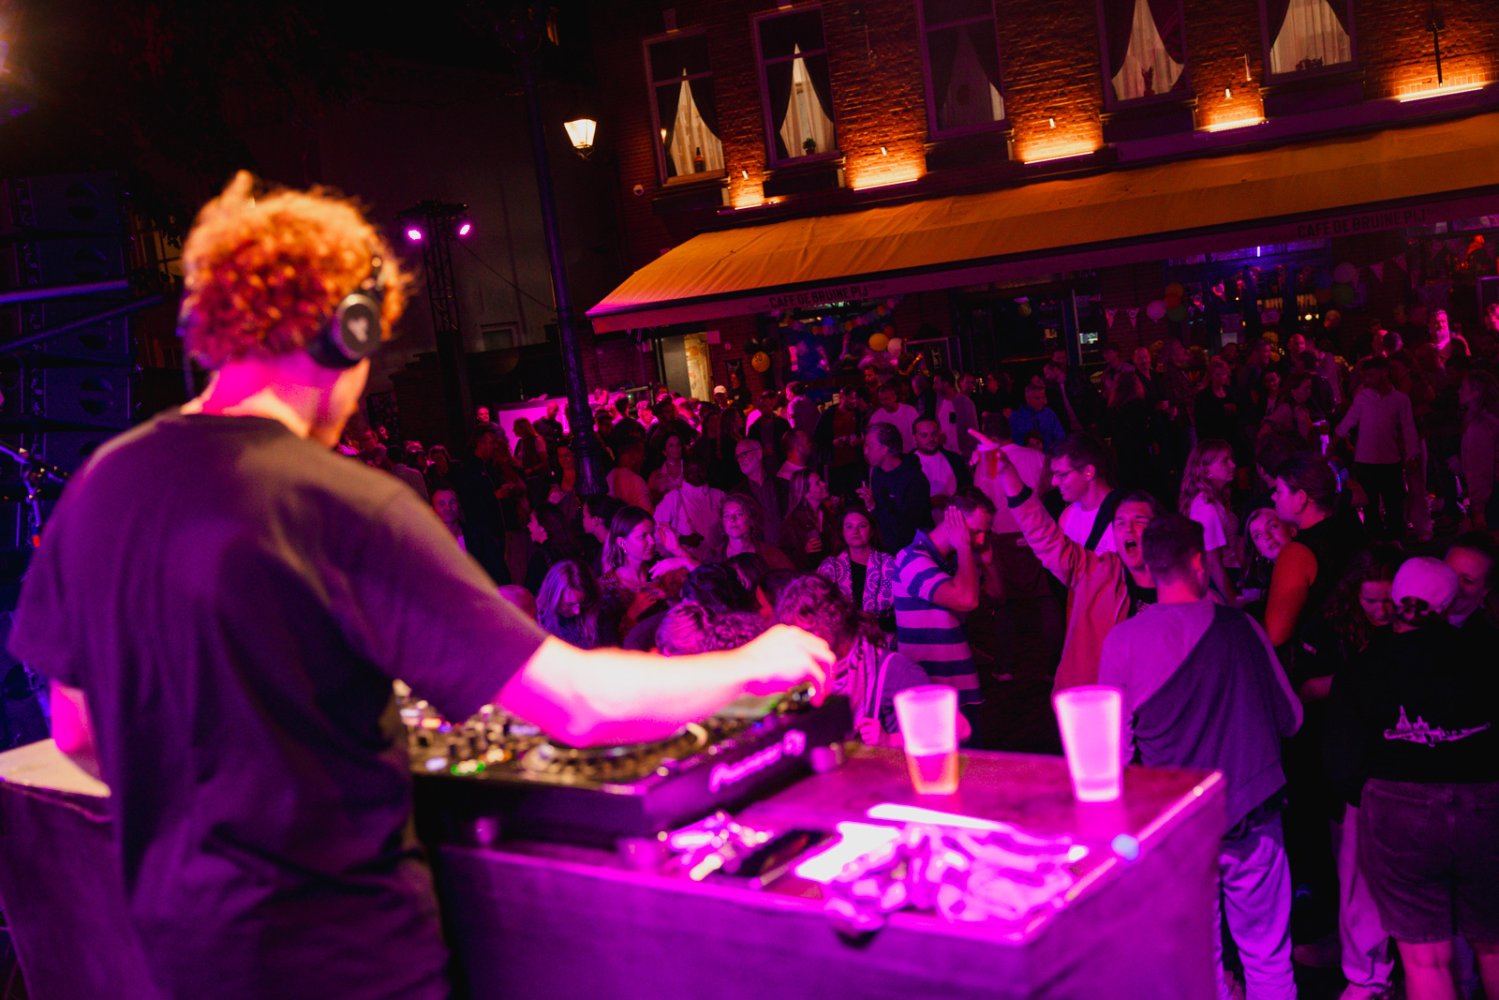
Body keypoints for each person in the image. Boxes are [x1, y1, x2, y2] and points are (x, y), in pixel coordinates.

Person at [10, 172, 832, 1000]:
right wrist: (749, 664)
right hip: (350, 960)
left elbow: (77, 730)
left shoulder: (100, 485)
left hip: (183, 953)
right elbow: (578, 704)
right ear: (344, 329)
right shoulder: (341, 503)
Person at [1099, 514, 1302, 1000]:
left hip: (1178, 829)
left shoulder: (1122, 641)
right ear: (1197, 564)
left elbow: (1114, 755)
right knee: (1267, 954)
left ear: (1149, 568)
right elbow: (1292, 718)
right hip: (1251, 814)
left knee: (1199, 966)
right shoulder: (1241, 628)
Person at [1327, 558, 1499, 1000]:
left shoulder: (1366, 665)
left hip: (1398, 809)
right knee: (1494, 944)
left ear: (1397, 599)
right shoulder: (1486, 655)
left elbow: (1343, 764)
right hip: (1485, 804)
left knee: (1425, 959)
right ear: (1449, 604)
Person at [978, 434, 1160, 691]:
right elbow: (1054, 549)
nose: (1054, 482)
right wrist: (1007, 474)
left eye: (1062, 474)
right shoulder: (1084, 544)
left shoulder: (1180, 586)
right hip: (1100, 655)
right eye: (1120, 524)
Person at [776, 575, 969, 745]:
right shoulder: (814, 677)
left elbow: (959, 729)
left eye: (808, 632)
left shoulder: (896, 670)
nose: (803, 643)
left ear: (831, 618)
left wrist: (890, 740)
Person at [893, 489, 1001, 713]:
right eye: (976, 531)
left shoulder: (957, 560)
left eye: (985, 533)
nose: (981, 540)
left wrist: (988, 563)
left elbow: (997, 598)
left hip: (960, 683)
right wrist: (964, 547)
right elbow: (967, 600)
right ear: (954, 521)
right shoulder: (912, 559)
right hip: (929, 688)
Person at [1336, 357, 1419, 541]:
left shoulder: (1400, 400)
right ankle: (1377, 544)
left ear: (1384, 373)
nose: (1366, 380)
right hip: (1365, 460)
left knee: (1393, 504)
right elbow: (1348, 422)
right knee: (1370, 506)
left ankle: (1395, 542)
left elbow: (1409, 428)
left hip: (1389, 460)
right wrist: (1335, 441)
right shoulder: (1363, 397)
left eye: (1371, 375)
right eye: (1365, 376)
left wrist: (1412, 455)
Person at [1178, 440, 1241, 604]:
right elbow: (1213, 562)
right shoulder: (1206, 508)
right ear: (1206, 471)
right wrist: (1233, 600)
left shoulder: (1215, 500)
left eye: (1231, 459)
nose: (1233, 465)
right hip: (1221, 582)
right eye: (1225, 461)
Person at [817, 506, 898, 627]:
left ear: (872, 531)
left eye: (862, 526)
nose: (855, 531)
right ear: (842, 532)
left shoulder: (889, 564)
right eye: (849, 526)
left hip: (884, 633)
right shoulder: (829, 567)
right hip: (842, 633)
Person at [858, 422, 932, 554]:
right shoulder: (877, 472)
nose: (865, 451)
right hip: (886, 549)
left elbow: (907, 528)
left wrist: (875, 507)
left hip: (913, 552)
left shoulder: (914, 480)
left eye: (870, 446)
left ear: (885, 449)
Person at [1053, 433, 1121, 554]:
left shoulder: (1124, 514)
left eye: (1062, 475)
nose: (1054, 482)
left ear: (1088, 472)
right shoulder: (1067, 515)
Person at [652, 457, 727, 565]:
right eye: (691, 471)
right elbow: (655, 529)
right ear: (684, 473)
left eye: (699, 470)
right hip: (686, 565)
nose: (696, 474)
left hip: (718, 563)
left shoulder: (719, 496)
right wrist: (682, 539)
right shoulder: (673, 498)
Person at [535, 559, 615, 649]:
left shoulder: (597, 613)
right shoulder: (538, 620)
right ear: (554, 599)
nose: (578, 611)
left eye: (583, 602)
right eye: (570, 605)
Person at [1458, 370, 1499, 531]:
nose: (1459, 391)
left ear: (1475, 393)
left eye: (1463, 387)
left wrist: (1478, 506)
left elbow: (1480, 468)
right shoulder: (1492, 419)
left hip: (1491, 495)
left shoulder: (1481, 426)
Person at [780, 468, 837, 571]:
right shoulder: (793, 523)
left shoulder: (828, 515)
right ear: (806, 494)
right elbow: (785, 557)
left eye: (821, 480)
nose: (824, 484)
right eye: (817, 483)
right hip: (810, 576)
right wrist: (803, 552)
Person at [722, 493, 793, 571]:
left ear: (751, 520)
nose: (732, 519)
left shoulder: (772, 556)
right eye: (727, 515)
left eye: (739, 514)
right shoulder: (715, 558)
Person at [910, 414, 971, 500]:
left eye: (934, 434)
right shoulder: (907, 464)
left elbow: (967, 490)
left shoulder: (955, 460)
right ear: (914, 438)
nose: (931, 439)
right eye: (924, 435)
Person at [1009, 381, 1066, 453]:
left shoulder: (1049, 413)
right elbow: (1015, 441)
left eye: (1043, 397)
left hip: (1051, 454)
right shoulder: (1017, 417)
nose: (1042, 401)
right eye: (1037, 398)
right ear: (1028, 399)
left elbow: (1060, 436)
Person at [866, 379, 921, 454]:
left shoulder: (909, 411)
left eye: (886, 399)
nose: (884, 402)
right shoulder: (876, 416)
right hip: (889, 457)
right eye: (881, 400)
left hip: (910, 453)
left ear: (894, 397)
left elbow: (919, 431)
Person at [933, 370, 978, 459]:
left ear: (946, 384)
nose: (934, 386)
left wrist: (967, 454)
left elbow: (973, 430)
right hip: (945, 453)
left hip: (962, 455)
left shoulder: (965, 403)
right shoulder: (939, 401)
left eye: (936, 383)